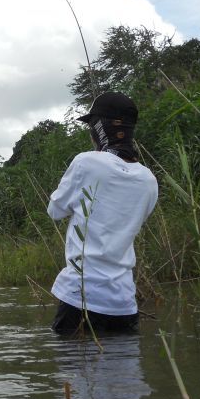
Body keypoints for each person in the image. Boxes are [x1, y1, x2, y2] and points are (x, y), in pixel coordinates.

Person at [48, 91, 158, 335]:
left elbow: (55, 210)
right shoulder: (149, 180)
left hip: (81, 297)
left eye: (91, 125)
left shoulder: (86, 162)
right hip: (124, 304)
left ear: (100, 127)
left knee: (73, 368)